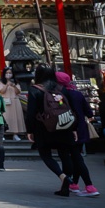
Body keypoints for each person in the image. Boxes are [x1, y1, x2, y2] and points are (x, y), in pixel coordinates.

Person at [26, 65, 76, 196]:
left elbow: (30, 113)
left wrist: (29, 130)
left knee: (46, 155)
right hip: (64, 125)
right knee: (65, 154)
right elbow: (70, 109)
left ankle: (63, 177)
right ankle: (66, 185)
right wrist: (73, 128)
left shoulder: (34, 90)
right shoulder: (61, 89)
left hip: (43, 127)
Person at [57, 72, 100, 197]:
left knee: (76, 158)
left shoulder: (61, 96)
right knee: (77, 157)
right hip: (81, 129)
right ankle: (74, 184)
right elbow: (89, 113)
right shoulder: (77, 94)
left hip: (69, 129)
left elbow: (60, 110)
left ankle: (89, 186)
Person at [0, 67, 26, 140]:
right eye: (7, 73)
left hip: (14, 101)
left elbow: (18, 92)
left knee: (15, 118)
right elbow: (1, 91)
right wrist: (6, 85)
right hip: (5, 102)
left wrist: (13, 86)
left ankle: (15, 134)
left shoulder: (16, 82)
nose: (8, 74)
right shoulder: (1, 82)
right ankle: (2, 134)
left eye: (10, 73)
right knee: (5, 118)